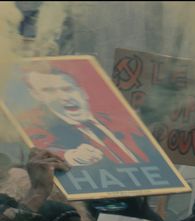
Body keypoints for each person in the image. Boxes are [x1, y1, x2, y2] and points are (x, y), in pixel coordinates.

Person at [22, 68, 155, 167]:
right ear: (37, 97)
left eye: (68, 89)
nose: (65, 97)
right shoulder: (38, 127)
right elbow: (42, 150)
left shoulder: (118, 120)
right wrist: (71, 157)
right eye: (49, 91)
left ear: (83, 92)